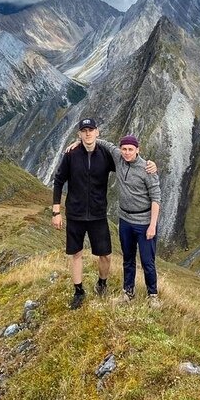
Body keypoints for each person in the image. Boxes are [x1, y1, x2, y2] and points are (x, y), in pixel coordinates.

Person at [66, 133, 162, 308]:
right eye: (124, 149)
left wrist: (152, 225)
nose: (126, 152)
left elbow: (156, 198)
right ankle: (128, 292)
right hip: (125, 220)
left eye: (130, 149)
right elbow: (100, 141)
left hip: (144, 221)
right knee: (128, 258)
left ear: (137, 150)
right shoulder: (117, 157)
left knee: (147, 261)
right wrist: (78, 142)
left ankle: (153, 295)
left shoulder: (147, 169)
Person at [52, 118, 116, 310]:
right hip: (75, 214)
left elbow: (126, 162)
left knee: (105, 255)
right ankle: (78, 291)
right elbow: (58, 180)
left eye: (91, 130)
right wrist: (56, 211)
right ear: (79, 134)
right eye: (84, 130)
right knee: (77, 254)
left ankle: (101, 284)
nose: (88, 133)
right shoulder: (71, 155)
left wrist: (149, 165)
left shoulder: (105, 154)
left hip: (98, 214)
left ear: (97, 132)